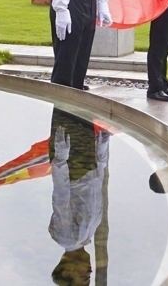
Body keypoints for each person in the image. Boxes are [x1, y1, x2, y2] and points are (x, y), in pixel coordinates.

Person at [48, 107, 110, 286]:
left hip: (71, 163)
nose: (89, 271)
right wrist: (101, 155)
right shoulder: (87, 235)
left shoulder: (66, 238)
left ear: (67, 271)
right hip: (88, 163)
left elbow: (60, 198)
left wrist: (60, 159)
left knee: (68, 105)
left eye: (84, 276)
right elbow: (95, 190)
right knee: (82, 106)